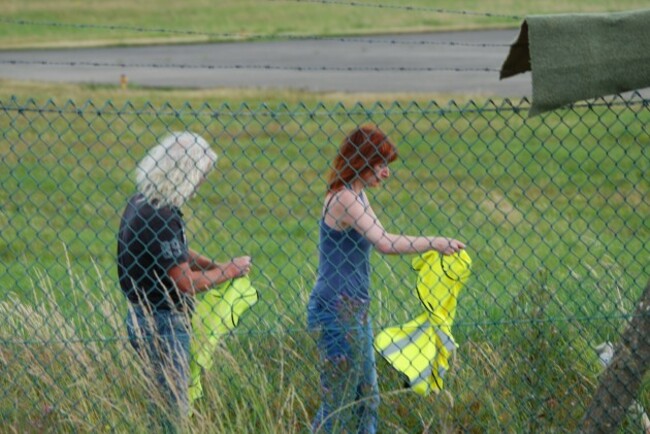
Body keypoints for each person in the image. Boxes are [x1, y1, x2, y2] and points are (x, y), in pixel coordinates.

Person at [307, 125, 466, 433]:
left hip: (354, 309)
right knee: (339, 404)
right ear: (361, 161)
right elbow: (385, 243)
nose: (385, 173)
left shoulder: (358, 194)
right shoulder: (344, 199)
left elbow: (383, 237)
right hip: (335, 310)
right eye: (379, 165)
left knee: (367, 400)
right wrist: (437, 242)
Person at [117, 131, 252, 431]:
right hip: (163, 321)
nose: (200, 183)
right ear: (184, 174)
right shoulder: (164, 216)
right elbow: (184, 282)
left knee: (159, 404)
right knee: (173, 410)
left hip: (140, 313)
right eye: (200, 175)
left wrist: (211, 265)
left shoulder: (141, 202)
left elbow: (173, 253)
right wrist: (228, 271)